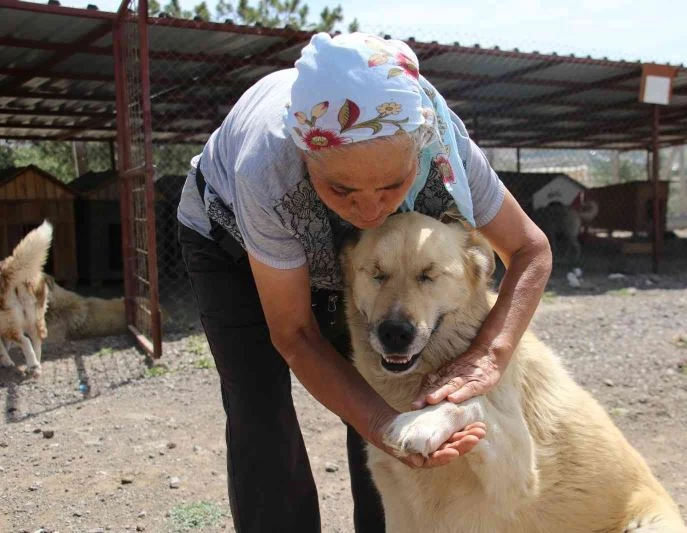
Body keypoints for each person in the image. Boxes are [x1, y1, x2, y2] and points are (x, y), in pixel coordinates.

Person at [177, 31, 552, 533]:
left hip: (368, 264)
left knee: (386, 389)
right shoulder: (265, 170)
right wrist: (382, 426)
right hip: (229, 243)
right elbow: (295, 335)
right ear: (305, 158)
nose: (373, 210)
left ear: (419, 156)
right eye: (342, 188)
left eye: (394, 187)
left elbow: (530, 250)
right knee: (260, 409)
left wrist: (491, 352)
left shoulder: (444, 146)